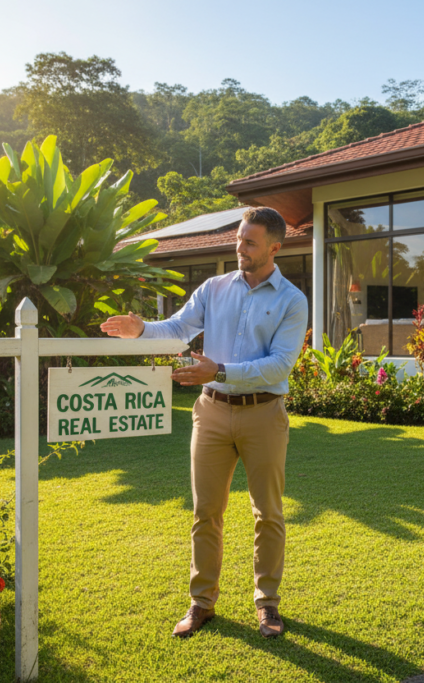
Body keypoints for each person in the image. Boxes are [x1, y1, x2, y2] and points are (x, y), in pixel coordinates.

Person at [100, 207, 308, 639]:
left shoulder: (291, 300)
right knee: (205, 512)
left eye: (249, 242)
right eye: (238, 238)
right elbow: (177, 328)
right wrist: (141, 329)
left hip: (264, 414)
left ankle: (267, 604)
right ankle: (201, 603)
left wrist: (219, 371)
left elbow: (279, 365)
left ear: (275, 247)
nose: (239, 248)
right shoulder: (213, 288)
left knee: (267, 513)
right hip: (211, 412)